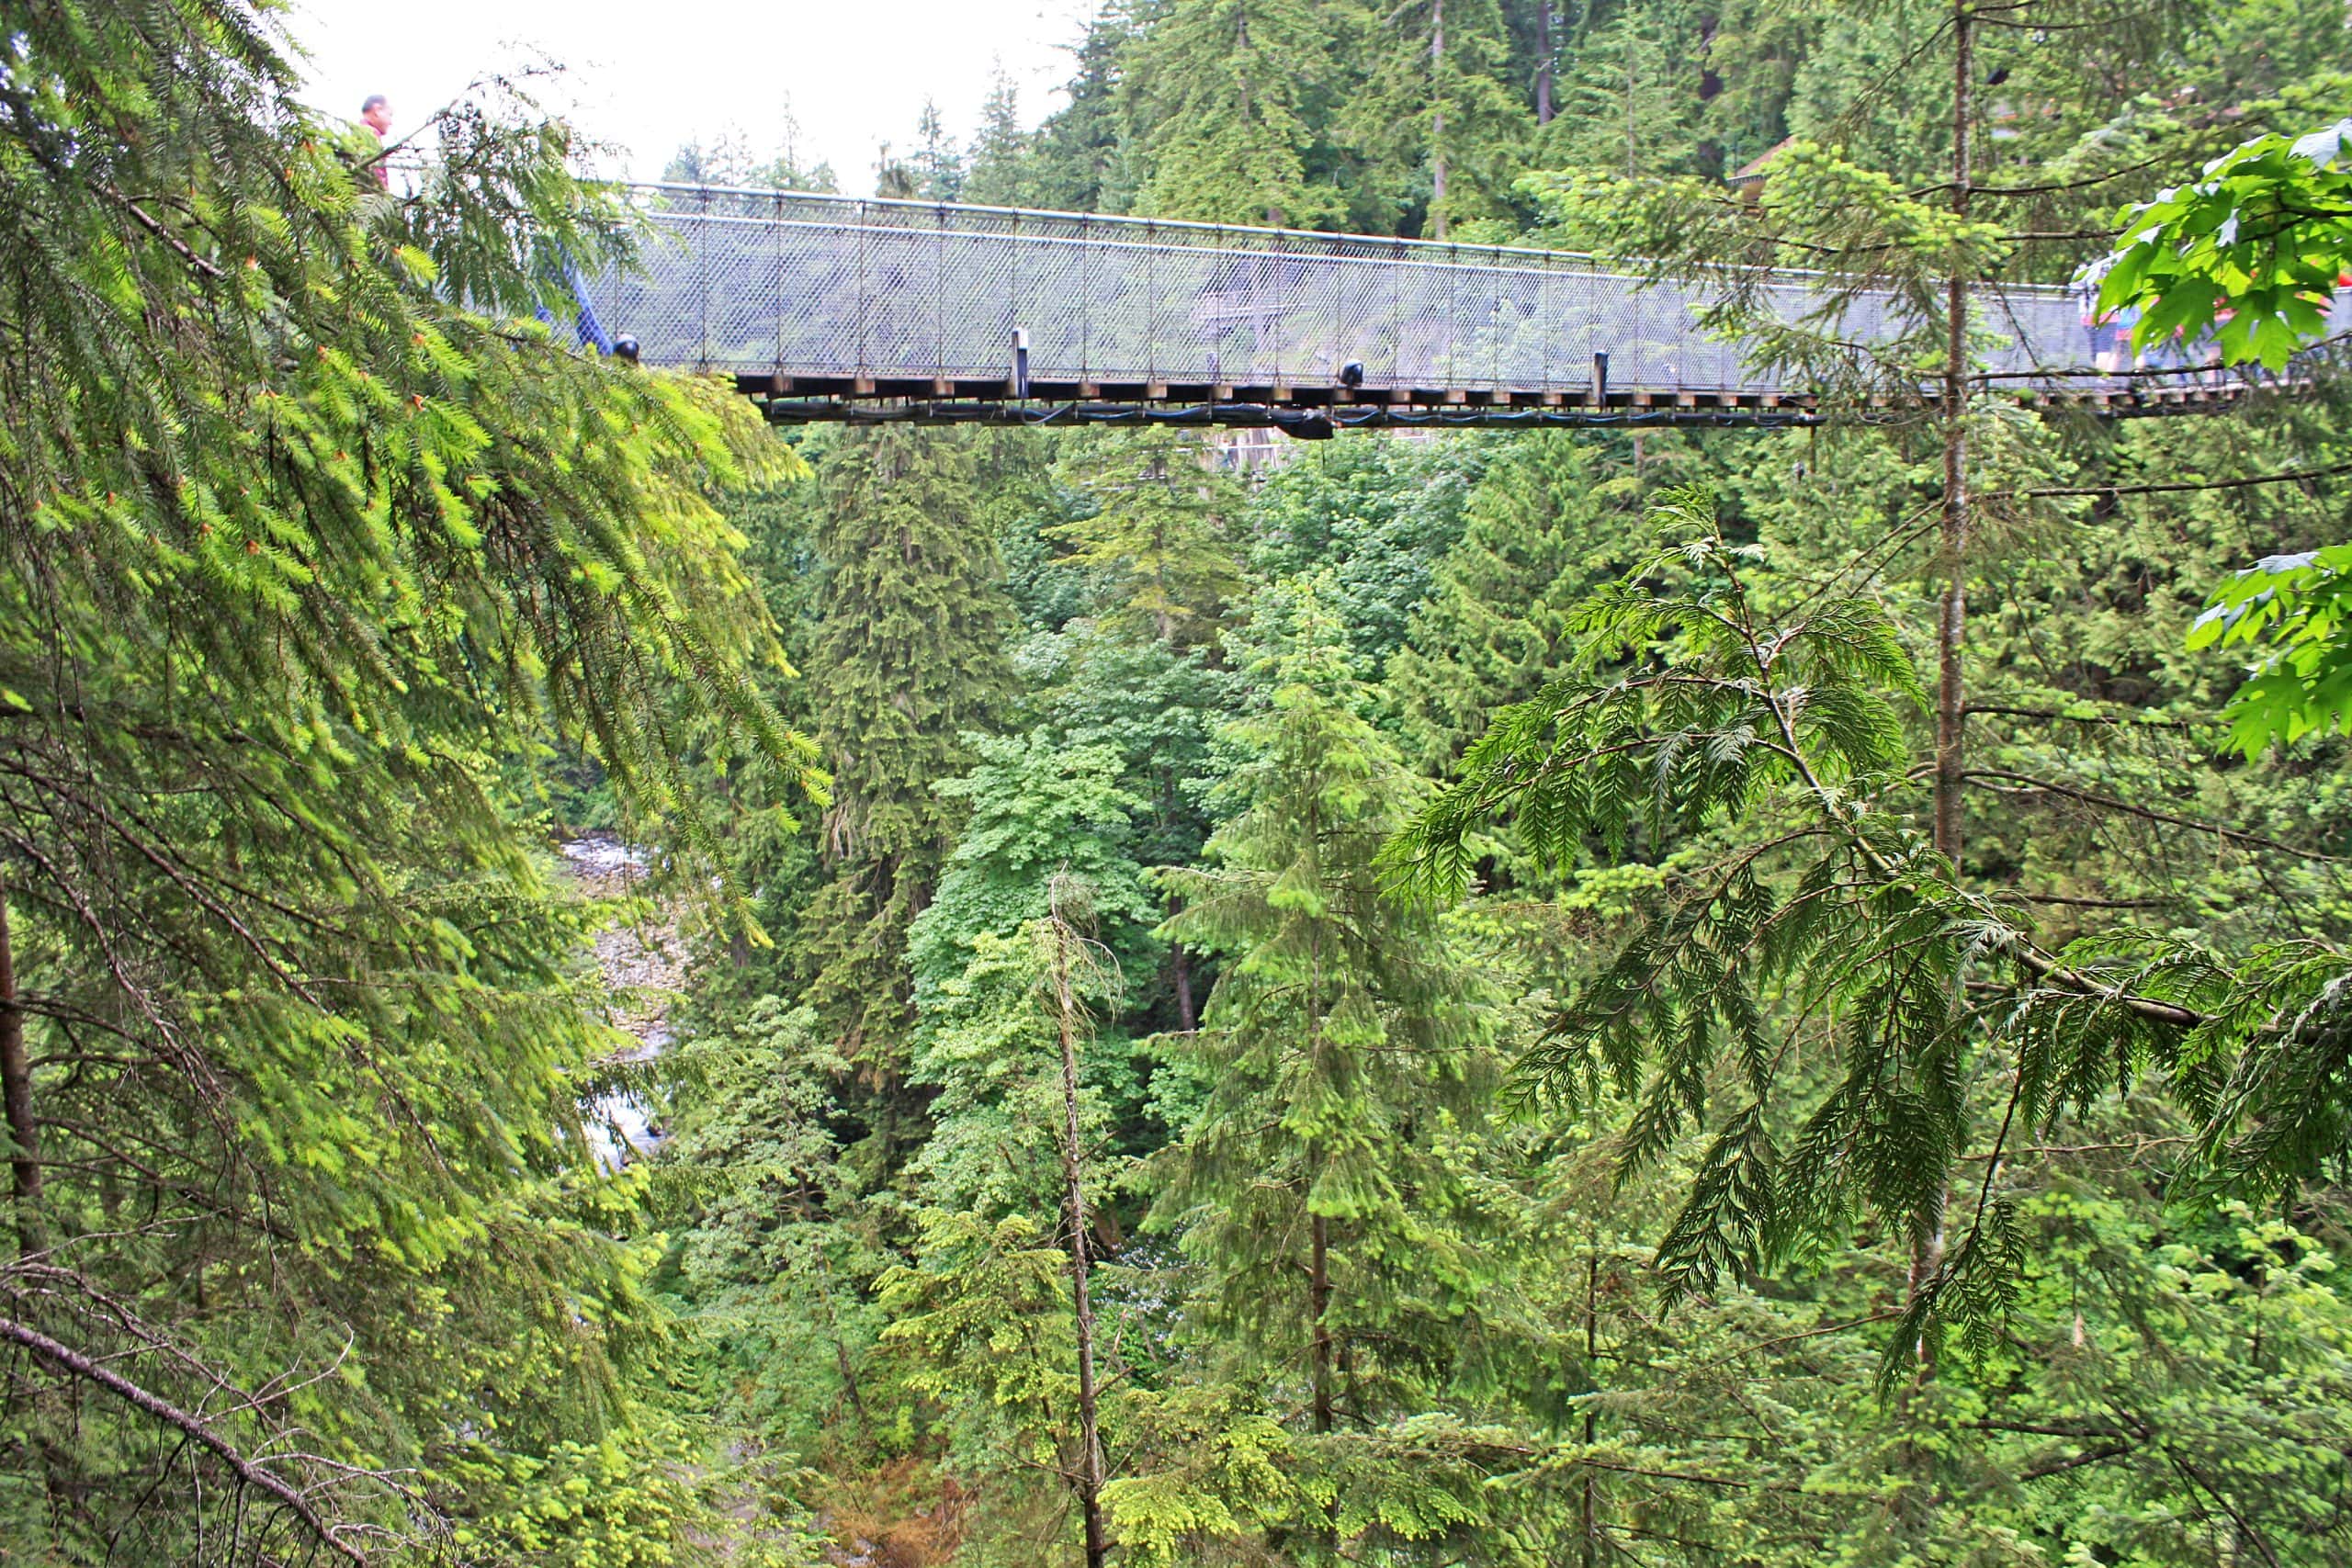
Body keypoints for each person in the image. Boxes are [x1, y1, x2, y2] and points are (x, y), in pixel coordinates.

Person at [360, 94, 391, 187]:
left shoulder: (359, 132)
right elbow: (377, 177)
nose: (391, 122)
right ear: (377, 110)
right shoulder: (369, 135)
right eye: (390, 115)